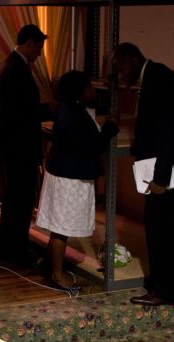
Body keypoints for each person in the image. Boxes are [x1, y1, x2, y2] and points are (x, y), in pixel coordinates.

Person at [111, 42, 174, 307]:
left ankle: (164, 291)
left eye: (120, 69)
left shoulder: (158, 79)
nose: (121, 76)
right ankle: (161, 285)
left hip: (170, 169)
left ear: (132, 59)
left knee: (161, 227)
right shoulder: (153, 77)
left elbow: (168, 133)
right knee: (157, 226)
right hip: (166, 165)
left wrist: (161, 179)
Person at [36, 70, 118, 292]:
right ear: (79, 92)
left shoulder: (68, 108)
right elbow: (94, 146)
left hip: (62, 173)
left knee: (58, 226)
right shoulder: (75, 116)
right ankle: (57, 275)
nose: (93, 91)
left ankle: (50, 266)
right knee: (61, 228)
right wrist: (110, 128)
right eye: (89, 87)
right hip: (69, 178)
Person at [0, 24, 51, 266]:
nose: (39, 53)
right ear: (30, 43)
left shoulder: (12, 65)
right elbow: (24, 110)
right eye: (39, 48)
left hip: (14, 146)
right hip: (19, 147)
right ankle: (16, 249)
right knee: (21, 200)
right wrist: (50, 110)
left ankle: (7, 244)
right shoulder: (16, 68)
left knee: (15, 198)